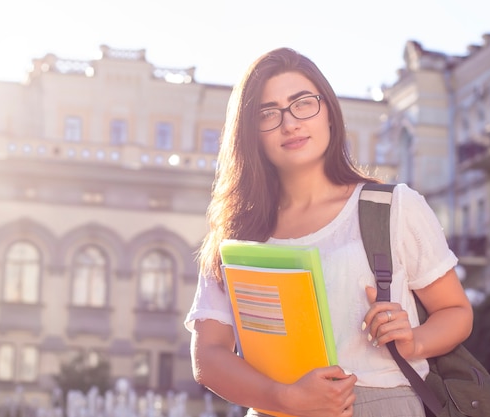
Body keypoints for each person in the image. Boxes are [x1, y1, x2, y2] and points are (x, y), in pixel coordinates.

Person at [184, 47, 473, 417]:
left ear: (330, 113)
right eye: (267, 113)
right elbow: (208, 356)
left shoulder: (393, 208)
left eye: (302, 103)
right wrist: (284, 398)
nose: (290, 123)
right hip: (277, 410)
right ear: (250, 133)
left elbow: (456, 312)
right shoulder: (237, 233)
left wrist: (414, 340)